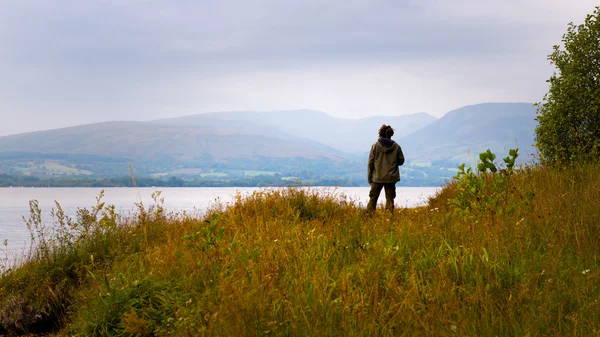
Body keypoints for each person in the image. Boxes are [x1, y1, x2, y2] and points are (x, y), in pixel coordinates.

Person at [367, 124, 405, 213]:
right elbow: (401, 161)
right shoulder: (396, 147)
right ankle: (388, 218)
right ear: (391, 134)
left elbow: (370, 163)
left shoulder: (375, 146)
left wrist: (370, 178)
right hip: (391, 178)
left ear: (380, 133)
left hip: (377, 177)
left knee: (373, 198)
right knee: (390, 198)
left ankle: (369, 216)